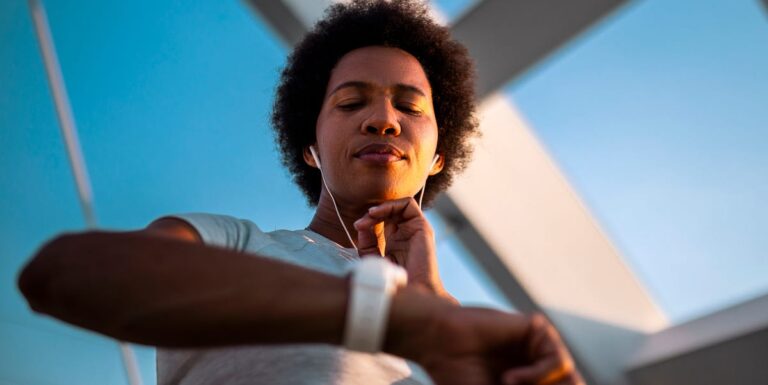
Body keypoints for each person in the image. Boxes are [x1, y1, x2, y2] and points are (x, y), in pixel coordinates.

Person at [18, 1, 584, 384]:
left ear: (438, 157)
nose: (384, 120)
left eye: (411, 107)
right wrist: (395, 320)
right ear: (309, 148)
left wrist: (430, 308)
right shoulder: (234, 244)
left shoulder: (464, 338)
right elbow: (66, 271)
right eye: (350, 102)